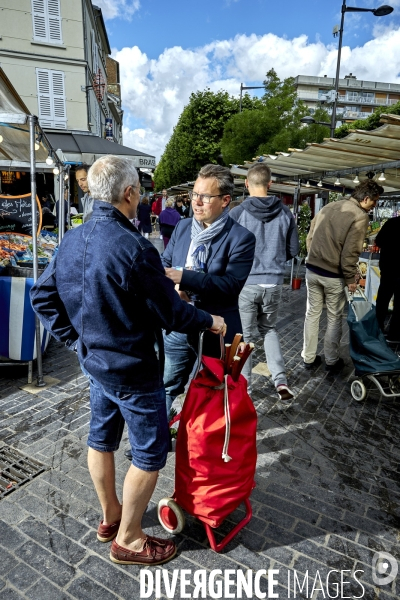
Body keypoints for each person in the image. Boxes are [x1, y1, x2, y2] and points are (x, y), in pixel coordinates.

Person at [30, 155, 226, 567]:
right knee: (150, 453)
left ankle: (110, 518)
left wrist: (78, 342)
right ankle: (129, 539)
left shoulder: (72, 238)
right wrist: (210, 320)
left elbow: (42, 297)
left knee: (100, 439)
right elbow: (172, 314)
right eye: (139, 191)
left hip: (97, 365)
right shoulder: (135, 248)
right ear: (129, 193)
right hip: (133, 370)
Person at [161, 164, 256, 413]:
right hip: (179, 324)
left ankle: (201, 443)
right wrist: (173, 290)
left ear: (225, 200)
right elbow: (165, 263)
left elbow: (230, 286)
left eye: (205, 196)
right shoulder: (183, 227)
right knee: (168, 385)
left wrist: (184, 278)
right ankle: (155, 440)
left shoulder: (241, 238)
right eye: (194, 194)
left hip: (216, 330)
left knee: (210, 389)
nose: (197, 202)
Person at [230, 162, 299, 401]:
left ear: (247, 183)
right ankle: (280, 381)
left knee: (245, 337)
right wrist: (275, 258)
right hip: (274, 282)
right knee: (269, 330)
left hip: (246, 283)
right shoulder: (286, 213)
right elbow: (293, 249)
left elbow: (226, 248)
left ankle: (245, 389)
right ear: (270, 184)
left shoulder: (237, 212)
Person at [302, 179, 384, 373]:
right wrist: (350, 278)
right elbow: (350, 252)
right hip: (333, 275)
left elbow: (310, 236)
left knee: (312, 314)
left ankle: (308, 357)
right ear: (365, 199)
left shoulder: (329, 206)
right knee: (333, 317)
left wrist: (313, 257)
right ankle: (331, 360)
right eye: (374, 202)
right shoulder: (359, 216)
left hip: (312, 270)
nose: (374, 207)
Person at [375, 216, 400, 342]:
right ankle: (394, 334)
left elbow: (378, 241)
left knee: (382, 300)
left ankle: (377, 329)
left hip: (388, 268)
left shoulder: (391, 223)